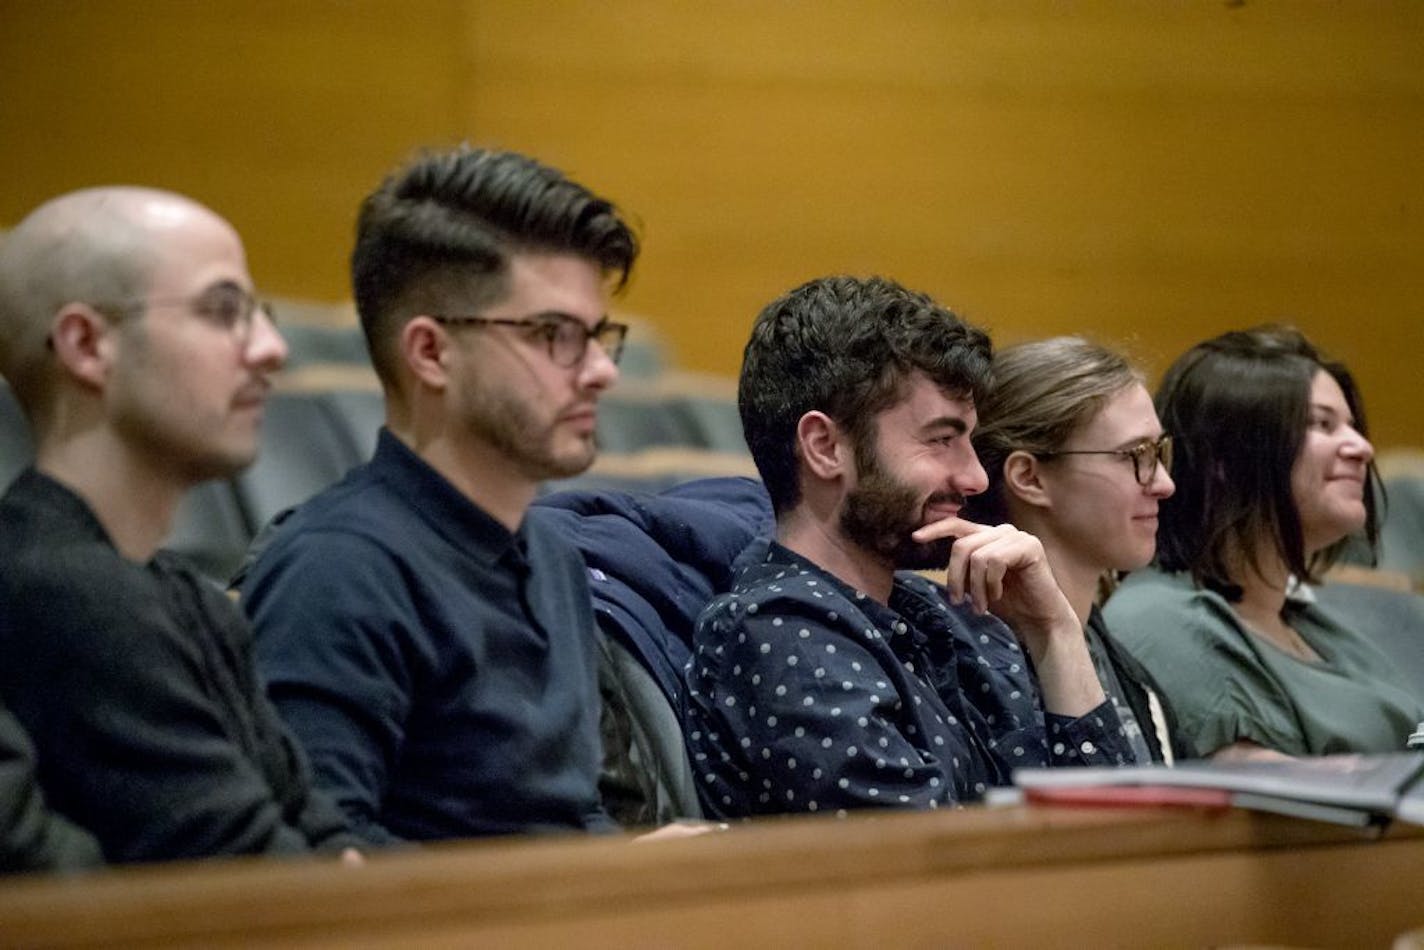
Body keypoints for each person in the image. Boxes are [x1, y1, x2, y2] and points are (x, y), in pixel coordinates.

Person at [239, 147, 639, 842]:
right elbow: (322, 867)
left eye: (599, 336)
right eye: (555, 335)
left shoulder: (549, 553)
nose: (601, 370)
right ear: (429, 353)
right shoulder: (336, 573)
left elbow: (572, 819)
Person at [0, 187, 360, 863]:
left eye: (263, 314)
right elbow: (251, 882)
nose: (271, 349)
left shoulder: (183, 595)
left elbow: (317, 835)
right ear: (86, 344)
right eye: (225, 311)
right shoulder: (66, 594)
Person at [683, 276, 1129, 819]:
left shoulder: (933, 614)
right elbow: (937, 881)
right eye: (941, 439)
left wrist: (1054, 632)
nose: (975, 478)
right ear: (826, 448)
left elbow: (1111, 827)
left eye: (969, 439)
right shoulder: (778, 633)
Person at [1103, 325, 1424, 758]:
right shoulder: (1160, 620)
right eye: (1322, 425)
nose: (1361, 447)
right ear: (1224, 459)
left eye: (1351, 426)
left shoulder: (1315, 617)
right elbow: (1267, 805)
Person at [969, 337, 1189, 764]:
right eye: (1136, 455)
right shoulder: (976, 663)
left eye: (1160, 453)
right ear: (1029, 478)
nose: (1164, 484)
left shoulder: (1112, 652)